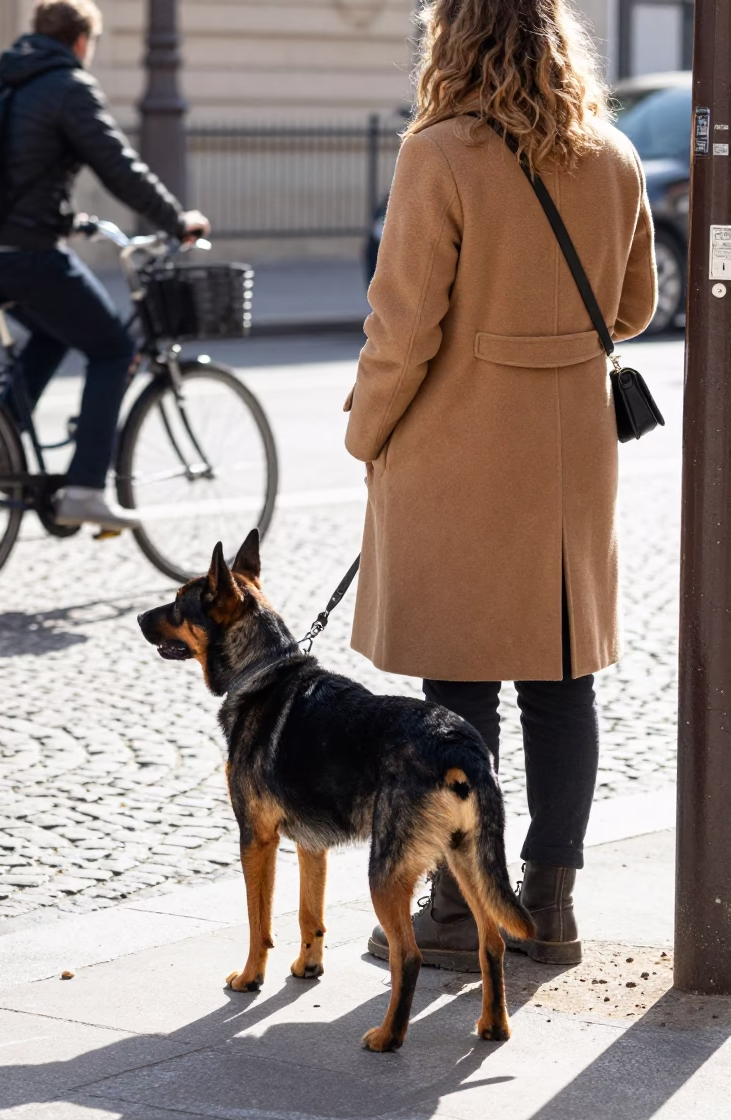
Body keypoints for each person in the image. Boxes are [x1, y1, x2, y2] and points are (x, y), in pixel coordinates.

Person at [344, 0, 656, 969]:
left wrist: (365, 433)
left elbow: (403, 333)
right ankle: (551, 909)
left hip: (461, 454)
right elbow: (636, 306)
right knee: (563, 688)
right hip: (570, 472)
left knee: (460, 692)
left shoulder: (438, 155)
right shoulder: (613, 156)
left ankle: (459, 909)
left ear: (457, 35)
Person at [0, 0, 210, 532]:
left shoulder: (5, 81)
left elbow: (15, 173)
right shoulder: (68, 86)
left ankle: (1, 432)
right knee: (114, 347)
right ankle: (85, 488)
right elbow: (120, 167)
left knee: (55, 331)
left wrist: (66, 217)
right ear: (82, 41)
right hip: (23, 256)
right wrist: (178, 219)